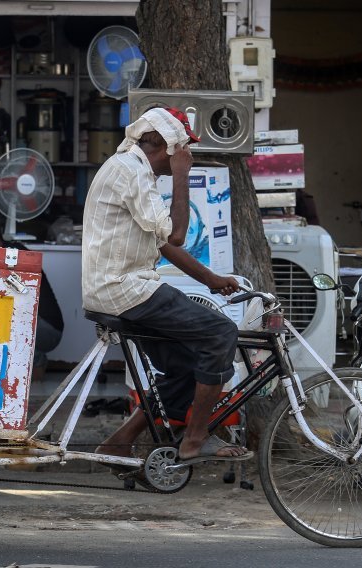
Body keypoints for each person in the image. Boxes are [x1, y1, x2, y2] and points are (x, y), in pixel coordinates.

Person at [81, 107, 251, 471]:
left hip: (122, 287)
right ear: (161, 145)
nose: (185, 156)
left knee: (186, 367)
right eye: (181, 150)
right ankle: (195, 439)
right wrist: (181, 176)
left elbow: (162, 244)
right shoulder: (131, 171)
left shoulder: (131, 169)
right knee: (222, 332)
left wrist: (210, 279)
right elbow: (175, 234)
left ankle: (119, 442)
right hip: (125, 289)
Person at [0, 223, 64, 380]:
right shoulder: (14, 252)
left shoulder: (16, 259)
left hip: (49, 331)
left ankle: (37, 360)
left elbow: (16, 294)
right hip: (47, 327)